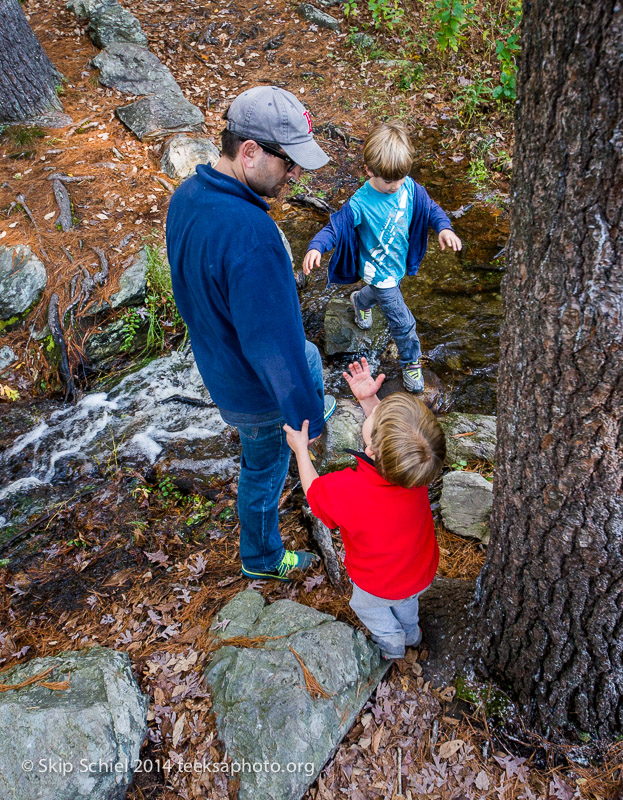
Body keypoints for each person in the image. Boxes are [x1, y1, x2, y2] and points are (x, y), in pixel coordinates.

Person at [166, 85, 336, 582]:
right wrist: (307, 424)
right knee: (263, 469)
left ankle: (312, 400)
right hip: (252, 389)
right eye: (289, 163)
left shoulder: (189, 196)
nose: (295, 175)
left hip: (217, 356)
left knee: (309, 354)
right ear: (249, 152)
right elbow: (273, 348)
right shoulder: (253, 235)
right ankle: (261, 557)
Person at [283, 357, 445, 659]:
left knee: (367, 607)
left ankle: (393, 646)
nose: (375, 411)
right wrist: (369, 398)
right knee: (407, 603)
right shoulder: (416, 469)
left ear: (370, 448)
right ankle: (412, 632)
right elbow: (388, 443)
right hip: (419, 571)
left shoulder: (349, 489)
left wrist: (301, 450)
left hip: (378, 583)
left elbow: (315, 493)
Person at [303, 121, 462, 394]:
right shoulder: (360, 203)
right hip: (378, 271)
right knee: (403, 322)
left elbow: (431, 209)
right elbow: (335, 227)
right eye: (389, 180)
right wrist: (317, 246)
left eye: (400, 178)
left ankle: (360, 300)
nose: (395, 186)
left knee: (377, 294)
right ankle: (410, 362)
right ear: (369, 170)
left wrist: (444, 227)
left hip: (395, 266)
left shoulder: (409, 188)